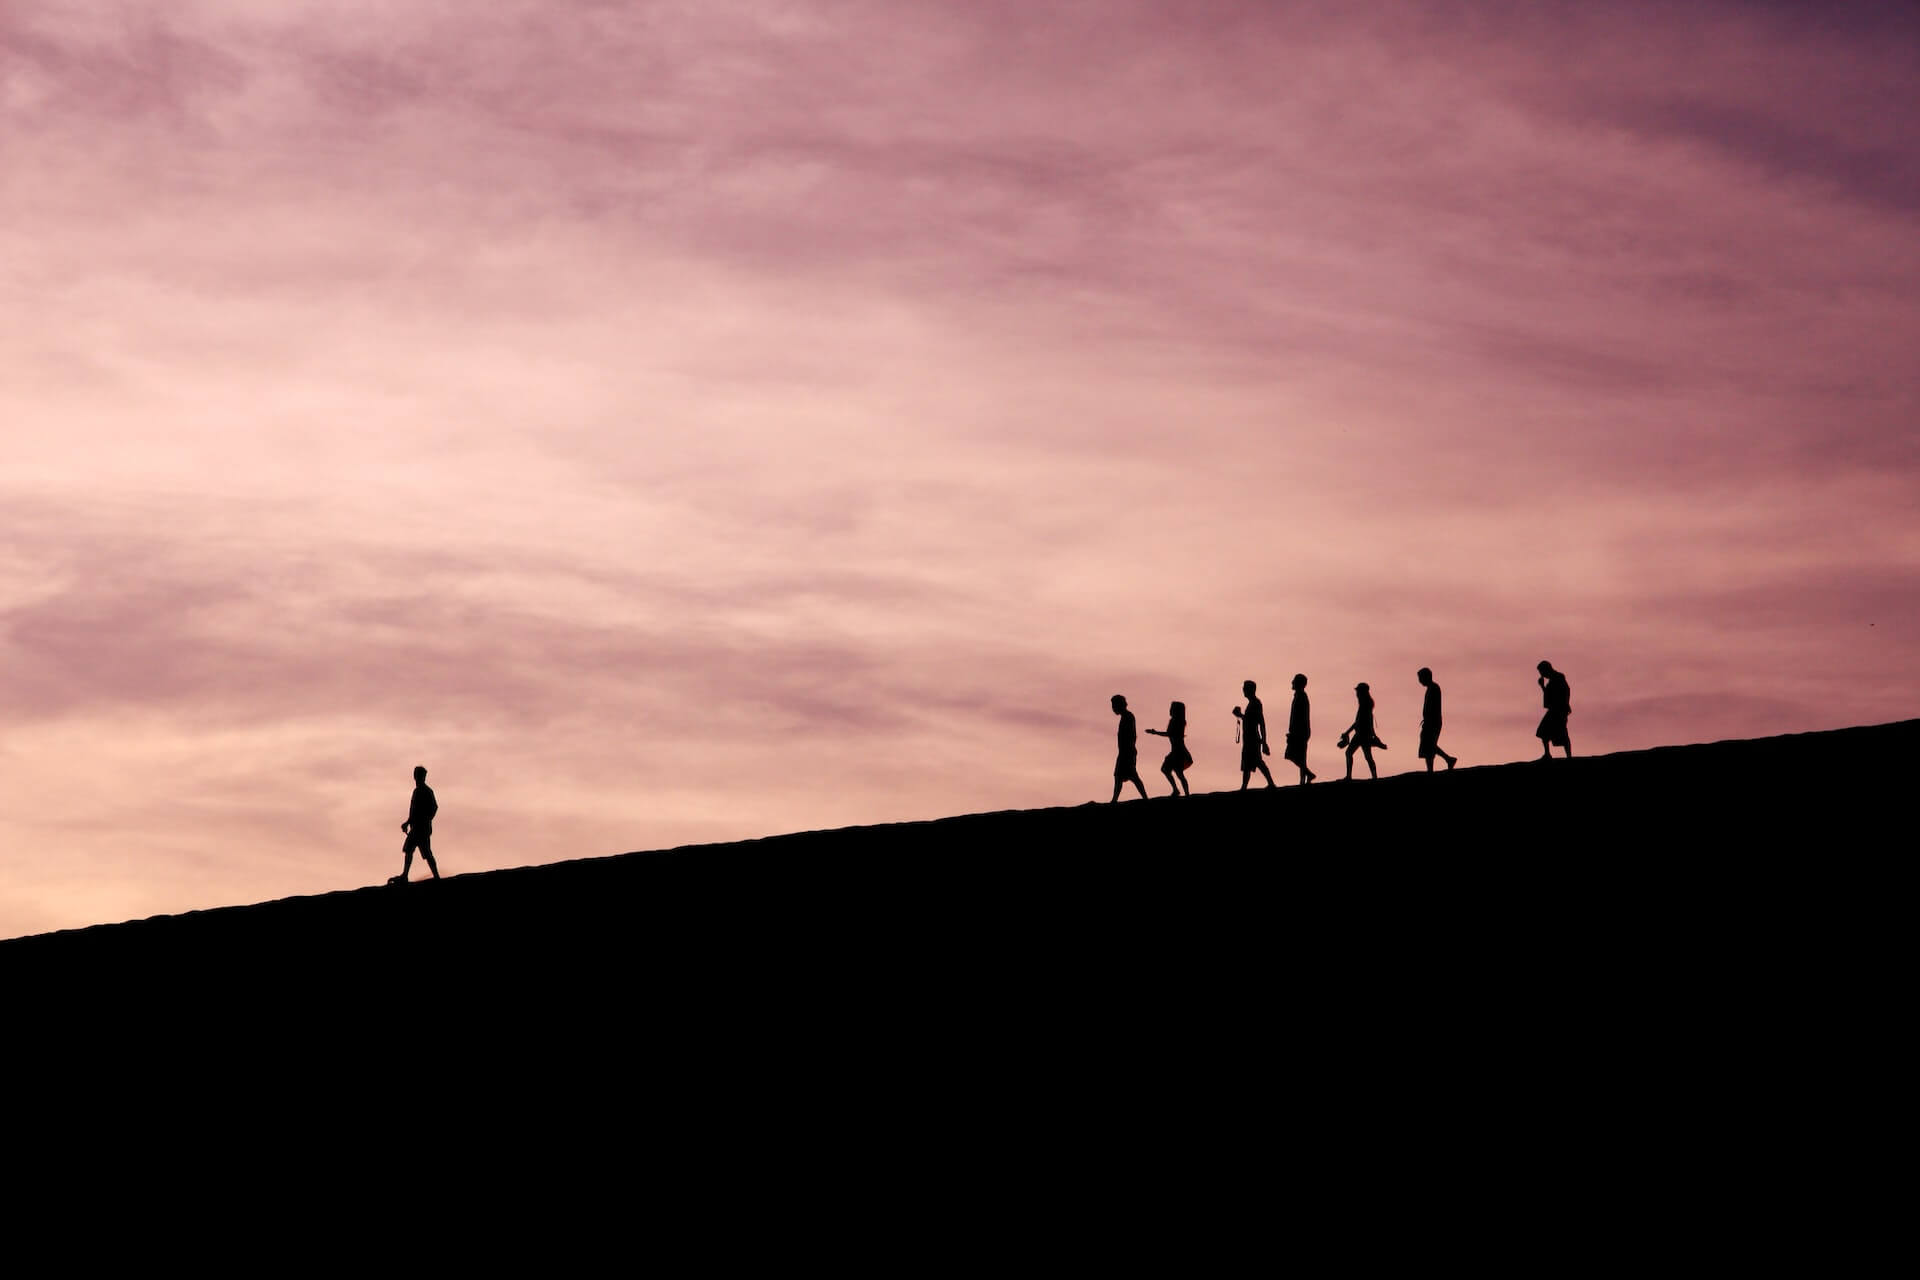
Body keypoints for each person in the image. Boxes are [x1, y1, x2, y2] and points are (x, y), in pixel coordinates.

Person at [391, 765, 441, 884]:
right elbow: (414, 811)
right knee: (409, 849)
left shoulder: (426, 791)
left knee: (426, 852)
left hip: (421, 828)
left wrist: (426, 820)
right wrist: (408, 822)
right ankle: (405, 875)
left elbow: (434, 807)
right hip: (416, 828)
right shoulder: (417, 791)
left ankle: (436, 876)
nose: (418, 778)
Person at [1337, 682, 1387, 780]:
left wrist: (1347, 732)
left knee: (1350, 753)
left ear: (1362, 692)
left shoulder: (1365, 703)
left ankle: (1349, 776)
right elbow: (1369, 720)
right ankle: (1374, 776)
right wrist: (1373, 734)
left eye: (1358, 691)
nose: (1356, 694)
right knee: (1367, 756)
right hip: (1364, 733)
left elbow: (1359, 721)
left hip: (1361, 734)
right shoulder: (1368, 703)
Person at [1144, 701, 1192, 796]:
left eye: (1172, 708)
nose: (1170, 710)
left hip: (1179, 752)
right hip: (1175, 751)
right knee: (1167, 770)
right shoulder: (1175, 721)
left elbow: (1170, 734)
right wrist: (1155, 732)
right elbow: (1170, 734)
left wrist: (1155, 732)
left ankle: (1185, 793)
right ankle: (1178, 791)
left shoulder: (1178, 722)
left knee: (1178, 773)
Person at [1233, 680, 1275, 790]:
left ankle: (1270, 783)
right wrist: (1240, 715)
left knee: (1256, 762)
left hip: (1253, 739)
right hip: (1249, 739)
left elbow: (1261, 723)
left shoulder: (1256, 704)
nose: (1243, 690)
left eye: (1245, 688)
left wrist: (1264, 741)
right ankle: (1244, 786)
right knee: (1248, 763)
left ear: (1250, 690)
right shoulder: (1252, 704)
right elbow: (1250, 720)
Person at [1416, 667, 1458, 772]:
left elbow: (1433, 707)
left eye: (1420, 678)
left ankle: (1448, 759)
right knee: (1428, 746)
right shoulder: (1431, 688)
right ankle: (1438, 765)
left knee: (1429, 745)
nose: (1419, 681)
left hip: (1433, 722)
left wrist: (1429, 721)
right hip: (1430, 721)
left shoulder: (1434, 688)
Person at [1110, 695, 1149, 802]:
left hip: (1127, 752)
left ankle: (1144, 798)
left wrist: (1128, 750)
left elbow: (1132, 735)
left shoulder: (1128, 717)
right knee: (1121, 775)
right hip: (1125, 751)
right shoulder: (1126, 717)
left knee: (1129, 775)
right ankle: (1115, 799)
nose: (1113, 708)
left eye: (1114, 705)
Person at [1536, 661, 1572, 759]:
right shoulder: (1552, 680)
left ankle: (1569, 756)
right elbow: (1548, 695)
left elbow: (1566, 691)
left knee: (1562, 733)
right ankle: (1547, 754)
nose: (1542, 674)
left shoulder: (1559, 677)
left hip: (1559, 710)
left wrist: (1566, 704)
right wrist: (1542, 686)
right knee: (1543, 731)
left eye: (1542, 672)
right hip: (1553, 710)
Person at [1284, 673, 1315, 784]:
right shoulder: (1299, 696)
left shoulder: (1301, 696)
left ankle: (1308, 775)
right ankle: (1304, 778)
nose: (1292, 682)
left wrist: (1294, 733)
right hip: (1300, 731)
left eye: (1294, 681)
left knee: (1291, 754)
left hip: (1300, 731)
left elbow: (1300, 717)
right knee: (1300, 756)